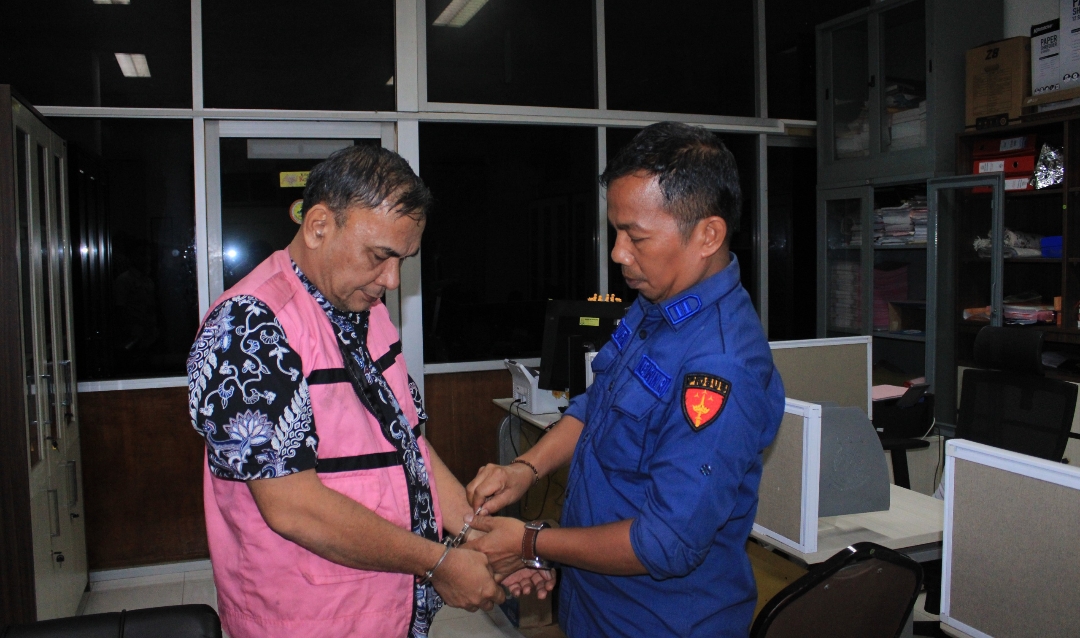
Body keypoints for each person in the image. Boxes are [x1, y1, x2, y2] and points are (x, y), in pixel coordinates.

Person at [187, 145, 542, 638]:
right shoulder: (249, 329)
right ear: (318, 226)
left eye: (403, 260)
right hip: (306, 618)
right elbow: (294, 507)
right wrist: (438, 562)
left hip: (383, 603)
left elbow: (407, 443)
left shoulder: (365, 310)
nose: (392, 280)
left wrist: (477, 540)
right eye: (380, 256)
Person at [464, 122, 786, 637]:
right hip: (595, 603)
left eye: (635, 236)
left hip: (658, 622)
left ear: (708, 235)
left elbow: (666, 542)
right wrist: (526, 469)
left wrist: (530, 542)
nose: (617, 253)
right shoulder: (656, 304)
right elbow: (596, 405)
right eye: (616, 231)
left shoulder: (720, 368)